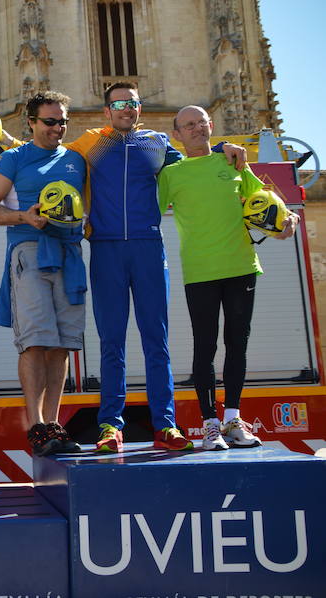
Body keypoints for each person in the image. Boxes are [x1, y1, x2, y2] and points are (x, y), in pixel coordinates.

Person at [66, 82, 247, 453]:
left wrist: (220, 148)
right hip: (106, 248)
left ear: (139, 108)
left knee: (156, 342)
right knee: (111, 341)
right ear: (106, 111)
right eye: (118, 103)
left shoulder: (157, 143)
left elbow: (194, 162)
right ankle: (109, 427)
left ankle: (166, 426)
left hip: (149, 248)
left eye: (132, 103)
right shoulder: (89, 143)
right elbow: (51, 158)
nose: (126, 108)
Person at [159, 105, 298, 450]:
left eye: (200, 123)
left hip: (242, 267)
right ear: (177, 134)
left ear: (211, 125)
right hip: (200, 271)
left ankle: (233, 419)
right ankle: (209, 426)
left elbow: (269, 203)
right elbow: (149, 214)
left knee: (238, 344)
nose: (196, 129)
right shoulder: (171, 174)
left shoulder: (234, 162)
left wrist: (287, 222)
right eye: (187, 126)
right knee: (205, 346)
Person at [0, 91, 87, 456]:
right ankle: (37, 426)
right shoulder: (13, 159)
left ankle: (54, 424)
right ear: (31, 122)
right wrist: (24, 216)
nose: (58, 128)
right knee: (36, 341)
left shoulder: (76, 159)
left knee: (61, 346)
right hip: (29, 251)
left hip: (70, 254)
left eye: (62, 122)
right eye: (50, 121)